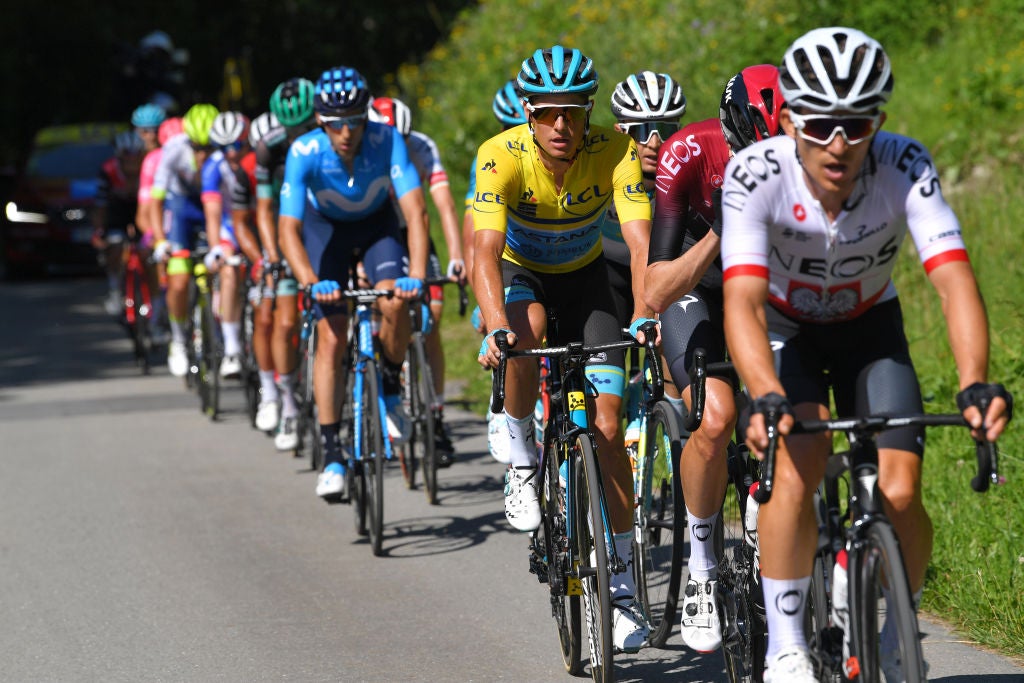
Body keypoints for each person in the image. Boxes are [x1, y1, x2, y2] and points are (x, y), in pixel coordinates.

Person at [719, 27, 1013, 682]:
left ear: (877, 121)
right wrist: (764, 392)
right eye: (820, 124)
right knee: (797, 465)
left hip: (869, 326)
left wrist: (975, 382)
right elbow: (741, 300)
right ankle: (787, 640)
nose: (838, 143)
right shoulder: (754, 173)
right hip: (785, 328)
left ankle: (895, 623)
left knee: (901, 488)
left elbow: (954, 279)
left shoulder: (905, 163)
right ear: (790, 119)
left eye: (857, 125)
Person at [473, 45, 658, 653]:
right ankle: (524, 459)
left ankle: (625, 583)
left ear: (588, 112)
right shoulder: (499, 156)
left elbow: (638, 244)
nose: (561, 126)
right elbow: (482, 251)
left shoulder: (616, 151)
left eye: (573, 113)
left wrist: (647, 311)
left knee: (607, 427)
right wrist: (493, 325)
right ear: (529, 113)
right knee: (522, 331)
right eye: (549, 113)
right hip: (520, 274)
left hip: (585, 285)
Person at [644, 64, 784, 654]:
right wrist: (721, 233)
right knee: (714, 417)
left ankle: (764, 509)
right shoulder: (689, 152)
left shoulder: (806, 157)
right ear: (732, 131)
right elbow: (655, 289)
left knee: (781, 422)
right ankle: (702, 563)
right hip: (697, 289)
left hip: (767, 291)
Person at [277, 66, 430, 499]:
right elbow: (287, 229)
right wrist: (308, 281)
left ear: (366, 118)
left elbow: (416, 213)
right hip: (323, 229)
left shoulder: (388, 142)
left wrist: (416, 274)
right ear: (321, 122)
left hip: (377, 226)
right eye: (335, 124)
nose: (346, 132)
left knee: (396, 302)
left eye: (354, 122)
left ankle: (388, 377)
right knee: (331, 336)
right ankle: (331, 455)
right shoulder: (304, 151)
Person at [370, 96, 467, 463]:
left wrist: (456, 256)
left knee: (432, 322)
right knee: (384, 306)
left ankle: (436, 415)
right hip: (379, 233)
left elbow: (443, 205)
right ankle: (384, 368)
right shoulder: (367, 147)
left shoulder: (423, 146)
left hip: (415, 228)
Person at [462, 78, 528, 465]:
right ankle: (499, 397)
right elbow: (478, 235)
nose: (514, 136)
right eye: (508, 128)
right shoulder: (490, 158)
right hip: (507, 250)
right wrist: (487, 313)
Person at [254, 78, 319, 450]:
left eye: (306, 125)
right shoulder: (269, 148)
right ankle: (290, 407)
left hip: (323, 230)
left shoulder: (328, 137)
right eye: (292, 128)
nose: (299, 134)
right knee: (284, 320)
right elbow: (264, 209)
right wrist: (273, 255)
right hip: (286, 233)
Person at [151, 103, 220, 377]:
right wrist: (159, 241)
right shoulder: (174, 150)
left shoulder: (224, 153)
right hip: (182, 207)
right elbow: (155, 202)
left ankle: (222, 332)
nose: (203, 154)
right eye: (197, 147)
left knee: (221, 271)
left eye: (209, 147)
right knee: (178, 281)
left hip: (212, 207)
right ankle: (178, 339)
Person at [201, 111, 261, 379]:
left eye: (237, 145)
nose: (231, 153)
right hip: (229, 225)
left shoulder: (260, 159)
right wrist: (217, 248)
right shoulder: (213, 167)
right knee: (228, 269)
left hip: (258, 222)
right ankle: (233, 349)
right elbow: (212, 213)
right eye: (223, 147)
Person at [92, 131, 145, 315]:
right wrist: (98, 231)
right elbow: (101, 205)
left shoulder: (148, 168)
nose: (131, 163)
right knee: (114, 244)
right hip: (116, 212)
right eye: (126, 158)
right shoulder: (108, 171)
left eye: (135, 158)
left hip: (142, 210)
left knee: (148, 249)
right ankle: (115, 289)